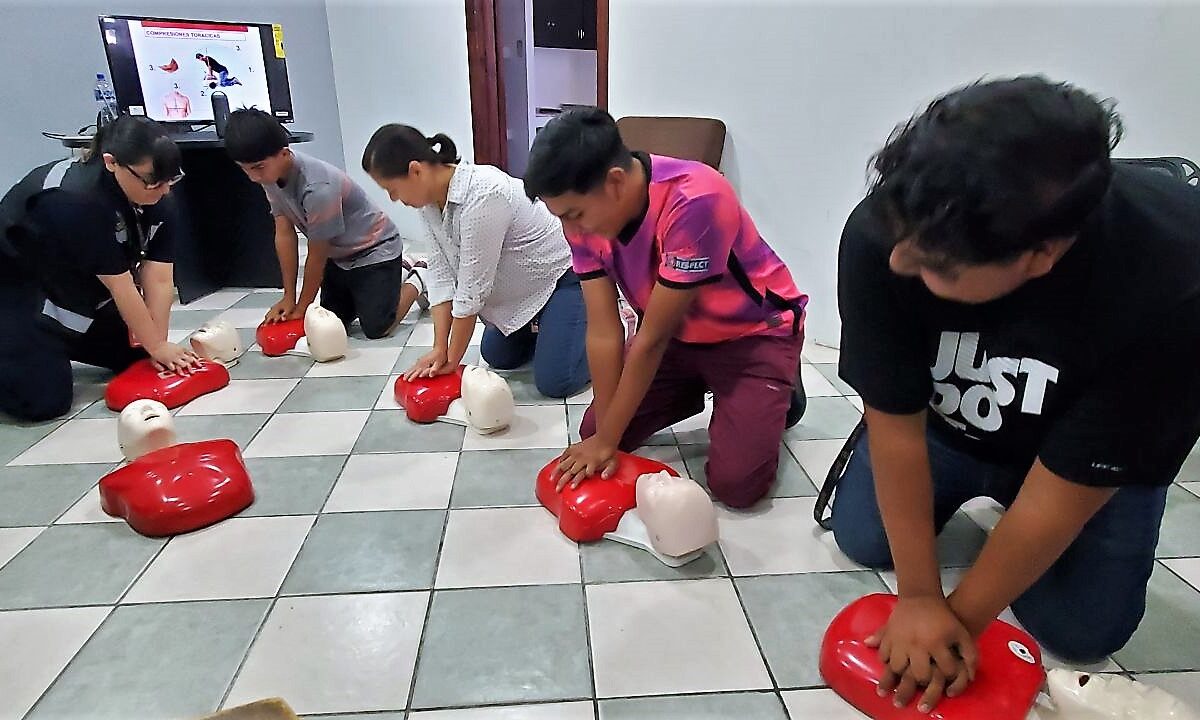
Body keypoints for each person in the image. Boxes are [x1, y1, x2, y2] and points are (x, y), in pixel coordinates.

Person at [830, 75, 1200, 713]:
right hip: (951, 424)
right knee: (864, 538)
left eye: (937, 267)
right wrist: (918, 597)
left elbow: (1072, 483)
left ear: (1041, 255)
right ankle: (988, 502)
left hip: (1086, 456)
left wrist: (962, 622)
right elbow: (893, 422)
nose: (901, 264)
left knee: (1084, 632)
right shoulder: (893, 228)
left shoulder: (1176, 277)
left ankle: (1011, 520)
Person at [523, 107, 809, 507]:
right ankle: (693, 388)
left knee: (736, 487)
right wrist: (606, 436)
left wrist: (609, 440)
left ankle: (780, 386)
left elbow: (651, 339)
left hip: (752, 337)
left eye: (575, 215)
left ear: (616, 182)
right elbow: (604, 330)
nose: (571, 231)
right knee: (598, 431)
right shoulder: (584, 221)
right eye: (561, 218)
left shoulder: (697, 199)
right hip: (679, 338)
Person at [362, 124, 590, 398]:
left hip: (562, 278)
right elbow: (441, 274)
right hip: (523, 291)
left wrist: (451, 361)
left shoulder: (484, 195)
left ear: (416, 170)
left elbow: (471, 293)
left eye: (392, 189)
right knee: (497, 356)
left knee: (556, 383)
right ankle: (551, 329)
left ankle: (603, 333)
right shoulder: (429, 202)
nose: (394, 199)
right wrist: (439, 348)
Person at [0, 114, 198, 421]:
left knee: (138, 354)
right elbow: (120, 285)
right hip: (16, 288)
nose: (163, 191)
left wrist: (156, 345)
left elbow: (158, 279)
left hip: (73, 288)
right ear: (111, 162)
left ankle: (51, 347)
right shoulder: (74, 199)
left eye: (171, 180)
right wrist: (157, 346)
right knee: (43, 402)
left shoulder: (156, 194)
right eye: (152, 181)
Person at [223, 109, 426, 338]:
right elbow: (284, 234)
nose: (253, 177)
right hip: (339, 256)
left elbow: (317, 254)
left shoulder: (318, 187)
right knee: (331, 323)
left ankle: (419, 275)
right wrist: (289, 298)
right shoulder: (268, 176)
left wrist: (302, 308)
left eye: (258, 167)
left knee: (377, 327)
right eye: (245, 169)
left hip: (374, 248)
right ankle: (391, 275)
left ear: (284, 153)